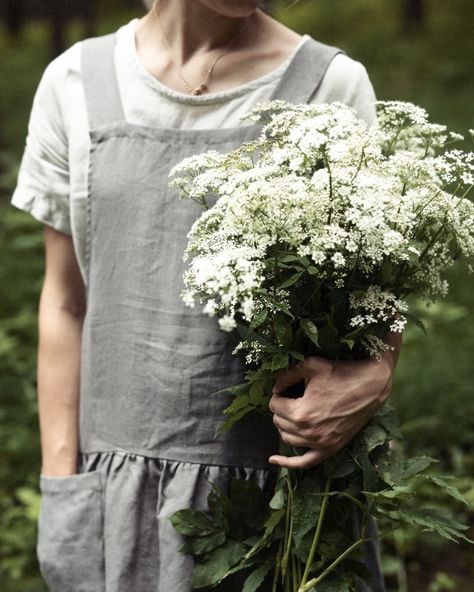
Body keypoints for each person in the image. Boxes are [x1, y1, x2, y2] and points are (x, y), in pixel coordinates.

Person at [10, 1, 401, 590]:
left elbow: (378, 304)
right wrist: (63, 484)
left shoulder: (329, 85)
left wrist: (376, 374)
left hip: (280, 509)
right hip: (115, 500)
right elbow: (65, 304)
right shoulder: (74, 83)